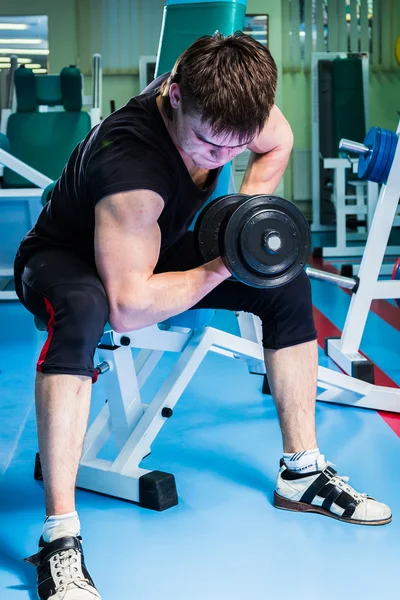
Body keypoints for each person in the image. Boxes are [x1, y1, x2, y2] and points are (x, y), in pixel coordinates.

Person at [14, 32, 391, 600]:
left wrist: (243, 213)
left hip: (155, 244)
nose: (218, 158)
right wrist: (224, 263)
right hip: (62, 258)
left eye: (231, 150)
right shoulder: (132, 167)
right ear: (173, 95)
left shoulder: (233, 110)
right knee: (86, 308)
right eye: (208, 144)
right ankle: (59, 536)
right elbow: (129, 309)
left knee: (282, 280)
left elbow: (279, 140)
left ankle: (302, 470)